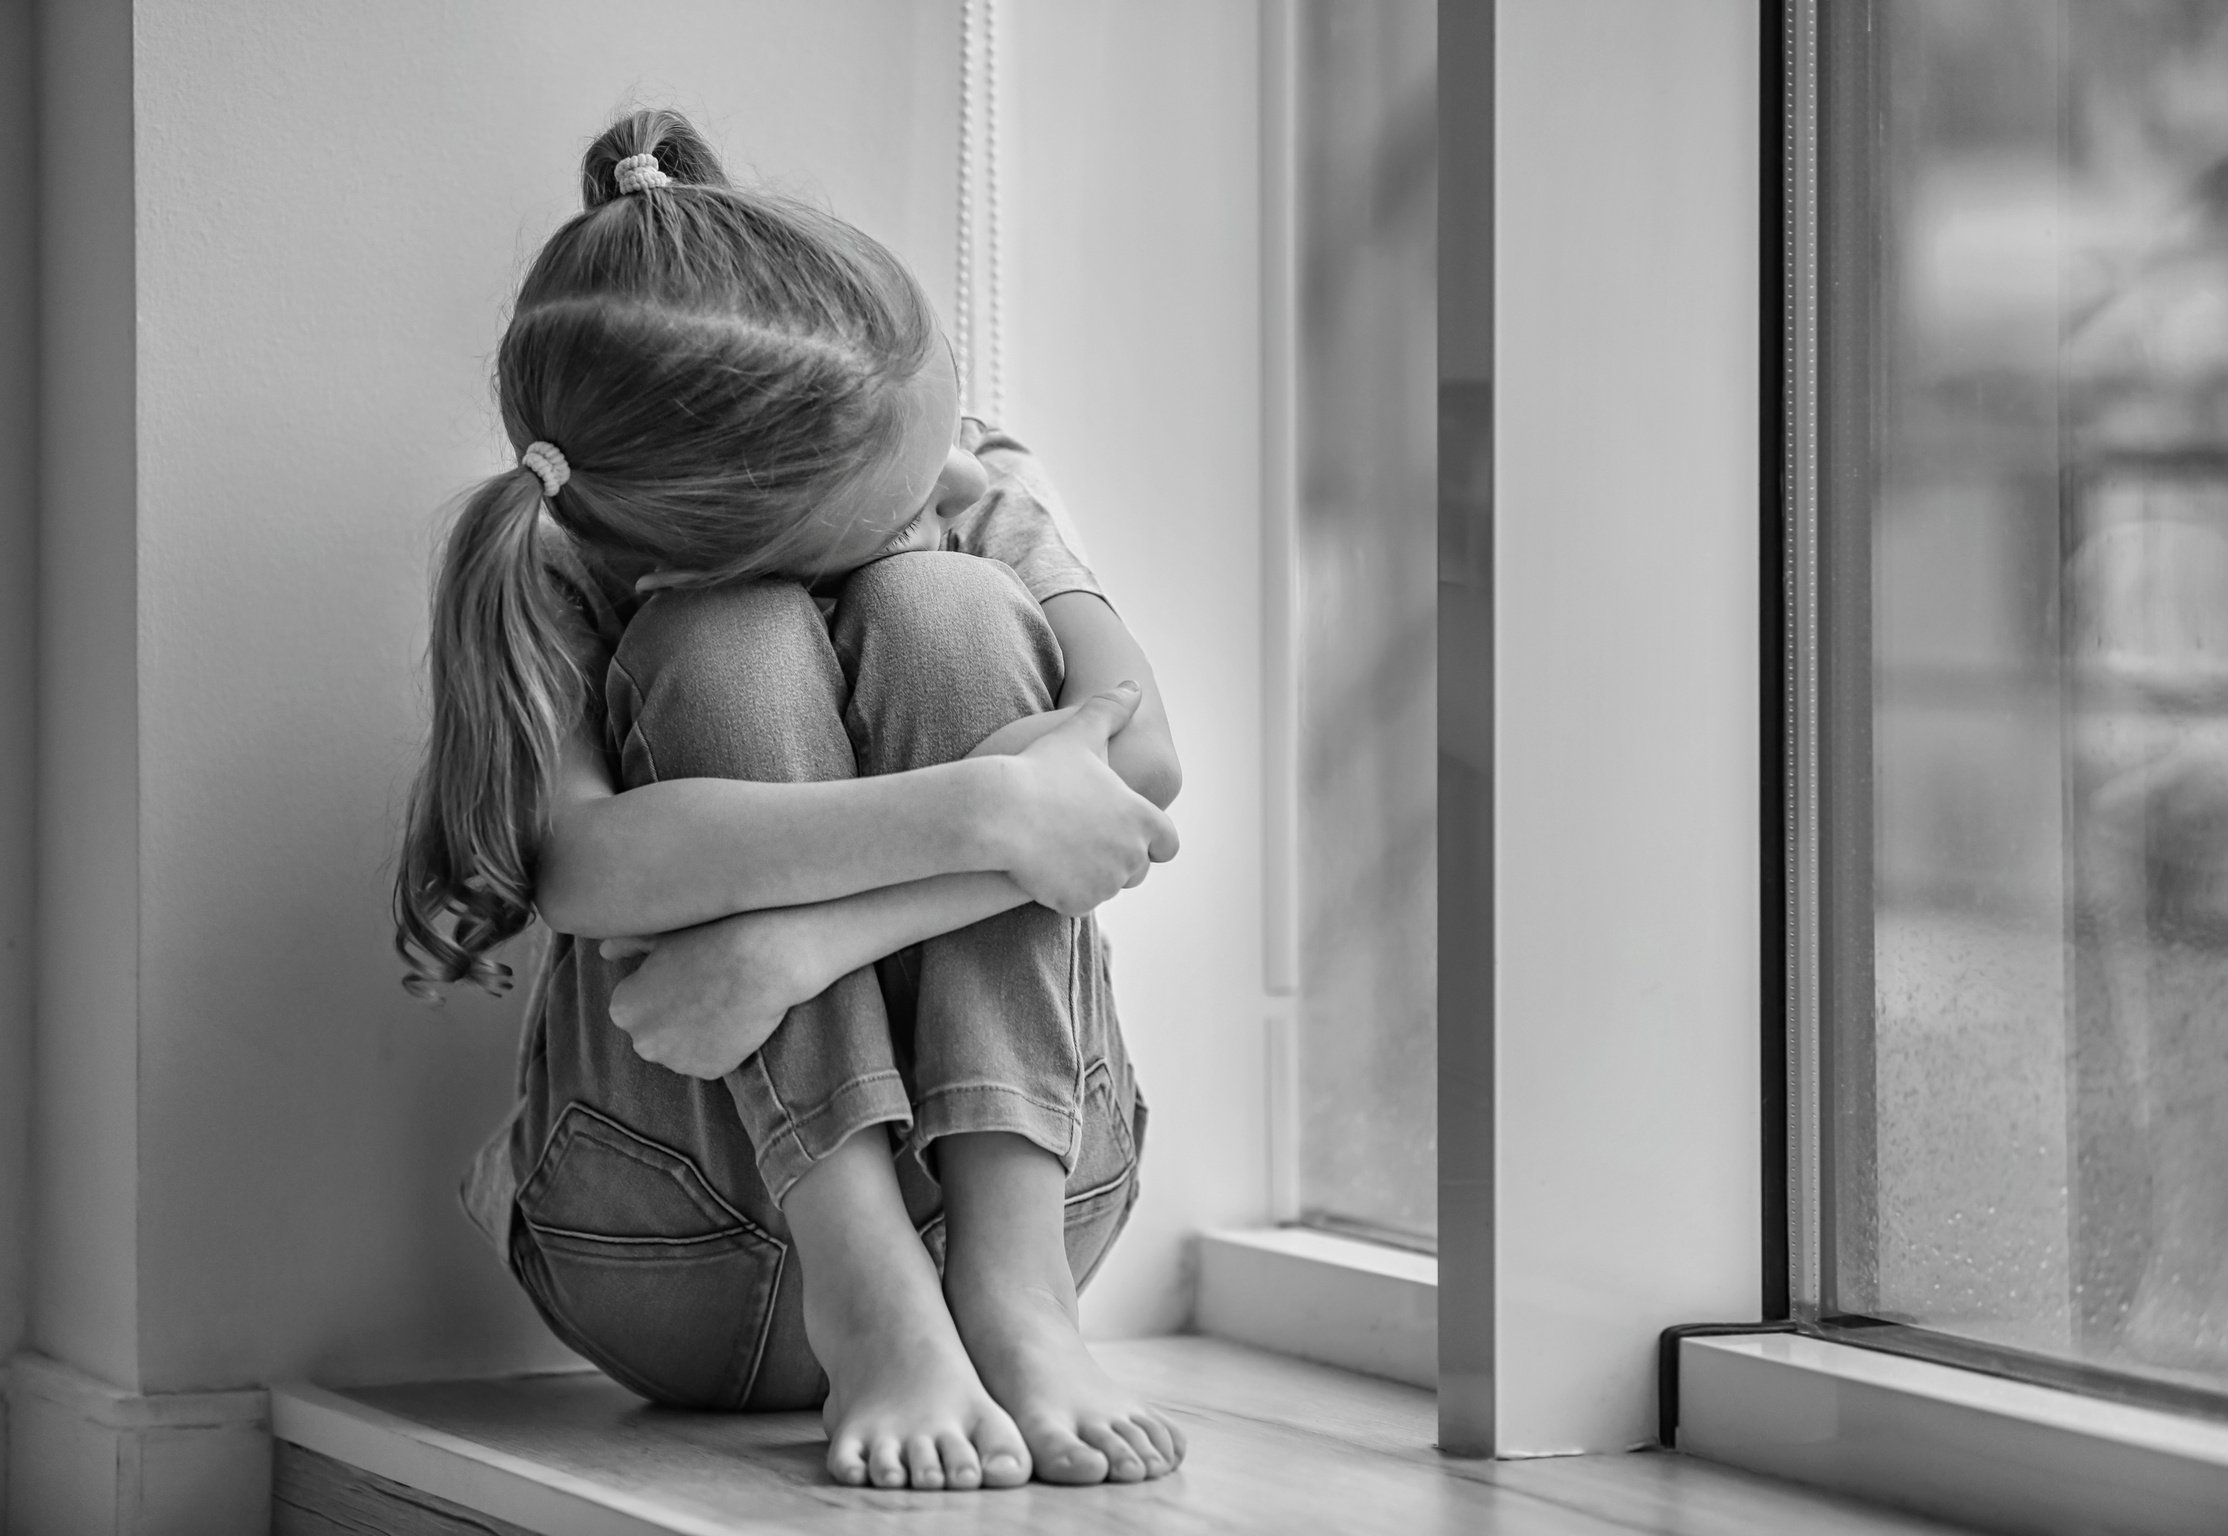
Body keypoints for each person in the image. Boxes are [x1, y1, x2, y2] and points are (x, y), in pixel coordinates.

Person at [393, 108, 1187, 1493]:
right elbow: (587, 871)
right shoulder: (582, 560)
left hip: (1029, 1211)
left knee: (951, 605)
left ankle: (1009, 1289)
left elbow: (1136, 776)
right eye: (900, 490)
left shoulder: (973, 476)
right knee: (725, 647)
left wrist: (799, 943)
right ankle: (862, 1278)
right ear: (745, 522)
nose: (949, 478)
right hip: (668, 1244)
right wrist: (984, 815)